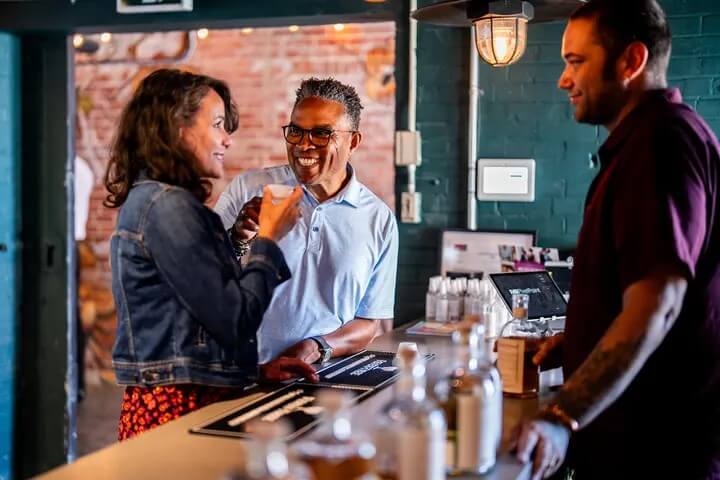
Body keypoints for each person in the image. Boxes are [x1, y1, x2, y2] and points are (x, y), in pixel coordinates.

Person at [511, 1, 720, 478]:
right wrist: (585, 338)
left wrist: (563, 415)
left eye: (575, 62)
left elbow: (659, 303)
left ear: (631, 62)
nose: (563, 80)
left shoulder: (659, 143)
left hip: (657, 451)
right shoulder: (655, 138)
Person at [104, 69, 318, 440]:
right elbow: (236, 320)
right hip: (176, 408)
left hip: (186, 396)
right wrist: (268, 236)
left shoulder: (159, 200)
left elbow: (195, 318)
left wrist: (253, 372)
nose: (227, 140)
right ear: (176, 128)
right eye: (217, 124)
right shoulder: (167, 206)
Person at [214, 78, 398, 365]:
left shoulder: (379, 220)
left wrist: (317, 348)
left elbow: (369, 321)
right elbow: (202, 281)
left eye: (322, 134)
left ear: (353, 142)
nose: (304, 145)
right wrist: (237, 236)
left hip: (324, 379)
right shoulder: (248, 189)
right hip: (241, 375)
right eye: (296, 132)